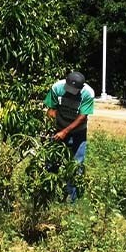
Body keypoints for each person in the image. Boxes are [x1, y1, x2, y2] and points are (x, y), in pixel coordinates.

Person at [44, 71, 95, 202]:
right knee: (51, 161)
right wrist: (50, 129)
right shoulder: (57, 88)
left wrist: (65, 132)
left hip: (78, 132)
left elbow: (82, 117)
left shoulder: (87, 93)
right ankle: (48, 194)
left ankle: (71, 199)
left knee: (76, 165)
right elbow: (51, 109)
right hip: (59, 129)